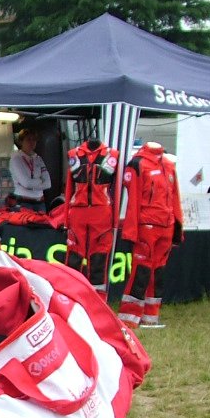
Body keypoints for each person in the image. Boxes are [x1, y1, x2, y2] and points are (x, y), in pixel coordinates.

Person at [117, 141, 182, 328]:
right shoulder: (137, 164)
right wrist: (132, 230)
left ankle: (151, 316)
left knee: (158, 272)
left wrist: (177, 225)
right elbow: (133, 201)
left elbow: (175, 196)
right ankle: (129, 317)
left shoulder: (169, 165)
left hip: (166, 225)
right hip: (147, 226)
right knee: (141, 271)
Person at [64, 133, 120, 296]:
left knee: (99, 257)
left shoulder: (113, 155)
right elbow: (69, 188)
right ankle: (71, 296)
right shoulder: (73, 154)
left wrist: (115, 220)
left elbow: (115, 190)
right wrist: (66, 220)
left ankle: (98, 301)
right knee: (74, 257)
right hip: (78, 213)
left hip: (102, 213)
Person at [8, 119, 52, 211]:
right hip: (24, 203)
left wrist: (33, 183)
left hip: (40, 202)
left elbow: (48, 184)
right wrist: (40, 181)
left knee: (42, 225)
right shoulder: (16, 158)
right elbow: (26, 183)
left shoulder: (38, 159)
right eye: (28, 139)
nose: (32, 142)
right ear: (21, 142)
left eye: (34, 140)